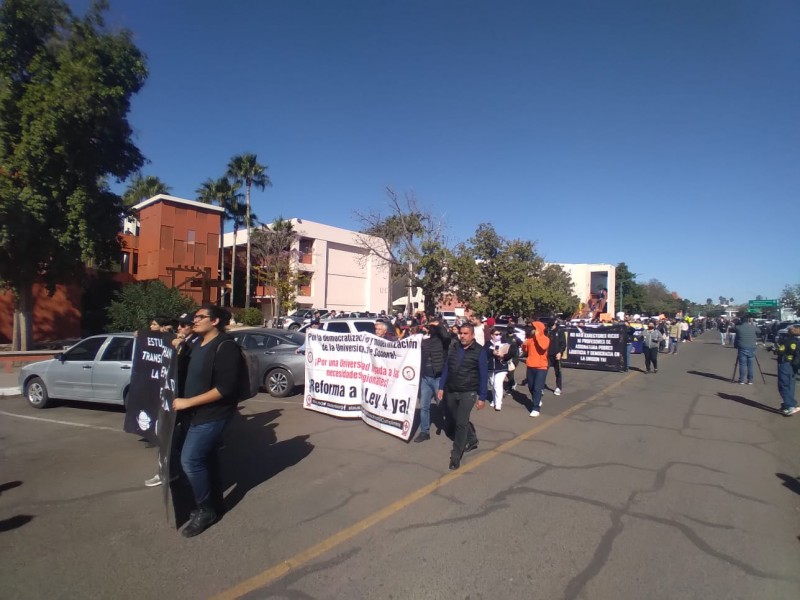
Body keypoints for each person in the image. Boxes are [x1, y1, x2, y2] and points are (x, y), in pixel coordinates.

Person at [172, 304, 244, 537]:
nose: (194, 320)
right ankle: (216, 504)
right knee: (207, 459)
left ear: (214, 321)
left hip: (213, 414)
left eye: (200, 317)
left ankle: (206, 510)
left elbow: (225, 389)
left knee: (190, 460)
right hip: (194, 413)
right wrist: (178, 346)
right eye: (194, 317)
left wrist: (188, 402)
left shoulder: (225, 347)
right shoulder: (194, 343)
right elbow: (184, 371)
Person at [145, 312, 199, 488]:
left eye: (184, 325)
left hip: (185, 399)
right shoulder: (180, 340)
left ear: (193, 326)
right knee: (166, 437)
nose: (180, 328)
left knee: (174, 439)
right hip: (173, 397)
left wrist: (180, 346)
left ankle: (172, 473)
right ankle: (166, 472)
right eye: (179, 325)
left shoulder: (194, 344)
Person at [437, 323, 487, 470]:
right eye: (461, 333)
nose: (462, 336)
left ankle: (456, 455)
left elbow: (483, 376)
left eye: (465, 334)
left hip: (468, 391)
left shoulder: (479, 351)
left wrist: (482, 397)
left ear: (472, 335)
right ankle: (472, 439)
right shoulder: (454, 347)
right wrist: (441, 387)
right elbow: (447, 368)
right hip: (452, 389)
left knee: (460, 423)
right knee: (456, 418)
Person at [414, 316, 449, 442]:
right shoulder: (424, 341)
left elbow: (446, 336)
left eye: (433, 327)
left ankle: (449, 424)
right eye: (430, 327)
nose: (431, 329)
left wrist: (437, 325)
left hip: (438, 378)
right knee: (424, 406)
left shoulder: (443, 342)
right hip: (425, 378)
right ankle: (425, 432)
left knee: (442, 405)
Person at [520, 321, 550, 417]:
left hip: (541, 367)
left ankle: (536, 408)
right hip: (530, 365)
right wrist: (524, 344)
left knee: (537, 388)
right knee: (531, 386)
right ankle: (537, 399)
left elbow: (543, 346)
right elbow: (525, 350)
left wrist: (537, 335)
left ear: (537, 329)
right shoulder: (530, 339)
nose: (530, 330)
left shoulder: (545, 339)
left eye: (532, 328)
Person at [773, 325, 800, 416]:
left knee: (783, 385)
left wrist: (775, 349)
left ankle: (790, 405)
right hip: (794, 365)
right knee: (790, 385)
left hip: (785, 363)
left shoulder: (788, 341)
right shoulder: (798, 341)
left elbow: (780, 351)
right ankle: (787, 404)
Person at [485, 327, 512, 411]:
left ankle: (498, 403)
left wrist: (503, 355)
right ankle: (494, 399)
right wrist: (491, 352)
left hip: (501, 367)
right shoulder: (487, 344)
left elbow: (510, 353)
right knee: (493, 384)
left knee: (498, 384)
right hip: (490, 367)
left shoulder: (504, 343)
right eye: (496, 334)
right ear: (492, 335)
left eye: (500, 334)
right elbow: (484, 353)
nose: (498, 336)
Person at [734, 316, 758, 385]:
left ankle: (742, 380)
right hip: (751, 347)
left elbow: (733, 330)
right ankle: (750, 380)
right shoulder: (753, 327)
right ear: (748, 321)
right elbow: (759, 331)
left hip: (742, 348)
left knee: (742, 365)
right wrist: (752, 323)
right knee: (750, 365)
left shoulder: (738, 327)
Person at [547, 319, 567, 395]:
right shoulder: (548, 331)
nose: (551, 327)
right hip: (548, 355)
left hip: (557, 354)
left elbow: (563, 344)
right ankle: (540, 387)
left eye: (552, 326)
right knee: (544, 371)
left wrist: (560, 352)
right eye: (550, 326)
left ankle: (558, 387)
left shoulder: (560, 331)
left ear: (555, 324)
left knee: (558, 371)